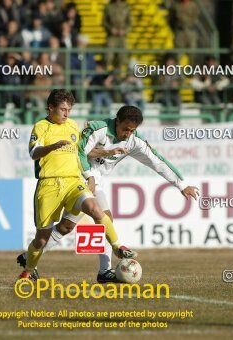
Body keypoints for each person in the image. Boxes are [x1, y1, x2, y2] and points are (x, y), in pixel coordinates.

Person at [18, 105, 199, 282]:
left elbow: (157, 161)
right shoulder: (99, 129)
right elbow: (79, 151)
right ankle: (105, 270)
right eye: (125, 129)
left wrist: (181, 185)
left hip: (95, 183)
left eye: (132, 130)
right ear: (117, 121)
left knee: (66, 227)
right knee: (104, 218)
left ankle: (29, 257)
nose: (128, 133)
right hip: (78, 178)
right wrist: (92, 172)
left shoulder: (134, 140)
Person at [18, 90, 138, 281]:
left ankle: (118, 247)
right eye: (63, 109)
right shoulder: (41, 127)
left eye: (69, 109)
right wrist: (52, 147)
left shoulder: (73, 126)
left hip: (73, 181)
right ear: (50, 108)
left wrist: (92, 171)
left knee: (95, 209)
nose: (66, 114)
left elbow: (83, 152)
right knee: (41, 239)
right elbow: (34, 153)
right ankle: (28, 270)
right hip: (49, 185)